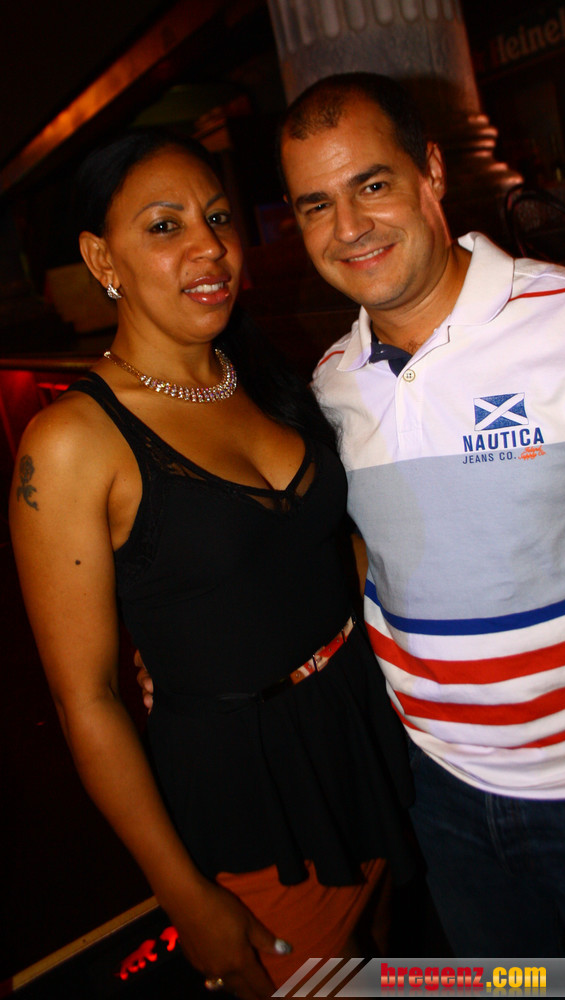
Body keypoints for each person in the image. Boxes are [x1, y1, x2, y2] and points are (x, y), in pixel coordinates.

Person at [273, 72, 565, 957]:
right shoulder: (332, 384)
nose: (349, 227)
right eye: (316, 205)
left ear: (430, 171)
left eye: (371, 184)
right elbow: (364, 558)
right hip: (439, 798)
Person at [9, 130, 415, 999]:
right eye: (165, 227)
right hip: (251, 791)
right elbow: (87, 699)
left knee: (392, 964)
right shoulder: (73, 440)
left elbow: (333, 551)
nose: (210, 247)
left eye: (219, 219)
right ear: (102, 259)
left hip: (367, 733)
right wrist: (182, 893)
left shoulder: (263, 375)